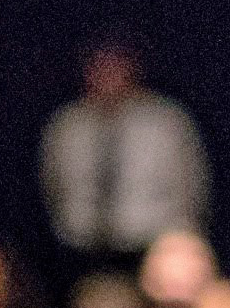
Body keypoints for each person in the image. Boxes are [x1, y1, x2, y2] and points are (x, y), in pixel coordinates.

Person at [39, 34, 211, 290]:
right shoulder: (67, 125)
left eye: (115, 67)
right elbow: (51, 187)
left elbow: (191, 191)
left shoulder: (167, 124)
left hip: (147, 247)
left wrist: (179, 247)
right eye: (100, 67)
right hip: (78, 248)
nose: (108, 76)